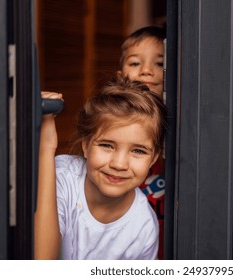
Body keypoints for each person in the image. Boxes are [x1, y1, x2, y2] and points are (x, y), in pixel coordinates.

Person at [34, 75, 167, 260]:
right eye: (106, 145)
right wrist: (46, 147)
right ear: (86, 145)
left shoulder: (143, 227)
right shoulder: (62, 178)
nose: (119, 164)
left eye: (138, 151)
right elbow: (41, 264)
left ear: (153, 159)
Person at [118, 25, 167, 259]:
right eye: (135, 63)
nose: (146, 71)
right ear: (120, 76)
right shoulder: (110, 122)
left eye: (159, 63)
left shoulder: (186, 128)